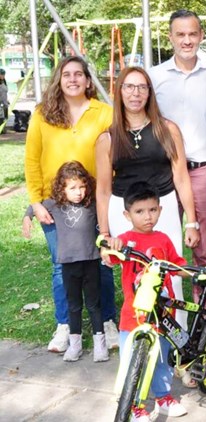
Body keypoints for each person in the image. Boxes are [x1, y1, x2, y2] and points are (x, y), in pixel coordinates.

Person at [24, 56, 119, 353]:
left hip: (96, 203)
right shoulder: (43, 114)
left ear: (88, 81)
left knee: (102, 262)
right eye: (67, 74)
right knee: (60, 265)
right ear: (59, 80)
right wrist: (37, 203)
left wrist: (112, 197)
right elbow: (31, 159)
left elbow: (116, 157)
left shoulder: (104, 112)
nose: (74, 79)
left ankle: (106, 323)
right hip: (54, 206)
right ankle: (66, 325)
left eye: (79, 74)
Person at [95, 67, 199, 331]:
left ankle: (177, 344)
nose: (135, 93)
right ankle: (142, 343)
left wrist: (192, 222)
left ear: (150, 93)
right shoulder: (108, 138)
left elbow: (181, 178)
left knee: (171, 277)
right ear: (119, 92)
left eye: (142, 87)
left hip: (162, 208)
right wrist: (105, 235)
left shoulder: (167, 130)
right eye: (129, 87)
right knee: (136, 280)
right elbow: (104, 190)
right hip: (124, 212)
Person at [101, 182, 189, 420]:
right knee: (132, 363)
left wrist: (193, 272)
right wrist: (110, 246)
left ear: (160, 210)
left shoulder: (163, 239)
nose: (147, 217)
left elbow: (178, 265)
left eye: (152, 210)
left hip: (162, 316)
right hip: (133, 316)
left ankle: (163, 397)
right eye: (140, 212)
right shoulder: (125, 240)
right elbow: (109, 257)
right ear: (127, 215)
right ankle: (136, 406)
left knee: (162, 358)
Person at [148, 10, 206, 271]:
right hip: (164, 172)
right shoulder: (154, 76)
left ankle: (203, 308)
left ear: (201, 36)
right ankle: (171, 307)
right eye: (180, 34)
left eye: (192, 34)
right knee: (164, 244)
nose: (187, 40)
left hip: (203, 170)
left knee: (203, 249)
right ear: (170, 37)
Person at [22, 161, 108, 363]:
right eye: (73, 188)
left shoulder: (92, 203)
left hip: (91, 261)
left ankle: (100, 344)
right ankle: (75, 344)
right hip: (68, 264)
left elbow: (108, 204)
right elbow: (35, 205)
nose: (79, 192)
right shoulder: (55, 204)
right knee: (74, 305)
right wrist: (28, 218)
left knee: (94, 304)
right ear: (62, 189)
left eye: (82, 186)